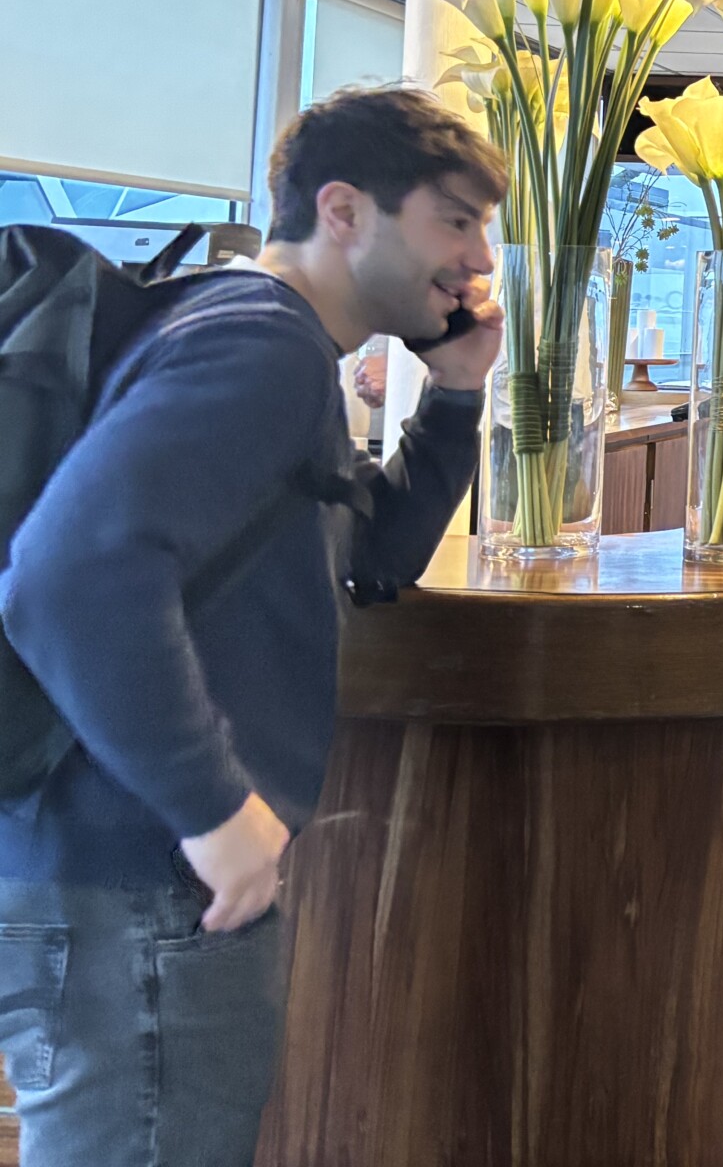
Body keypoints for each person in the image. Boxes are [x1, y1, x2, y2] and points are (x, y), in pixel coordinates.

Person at [0, 85, 507, 1163]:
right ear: (343, 209)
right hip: (137, 879)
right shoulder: (260, 346)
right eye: (454, 221)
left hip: (118, 873)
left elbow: (365, 559)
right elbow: (68, 572)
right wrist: (215, 810)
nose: (477, 260)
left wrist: (454, 394)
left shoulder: (251, 331)